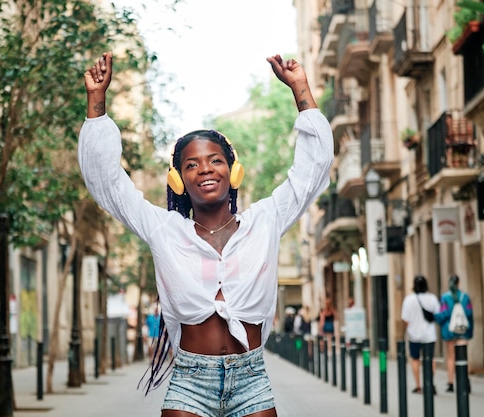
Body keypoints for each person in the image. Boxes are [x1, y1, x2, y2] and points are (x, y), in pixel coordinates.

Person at [79, 51, 333, 417]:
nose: (205, 170)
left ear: (233, 171)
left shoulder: (266, 221)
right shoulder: (164, 230)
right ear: (178, 180)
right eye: (191, 164)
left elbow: (313, 169)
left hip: (252, 380)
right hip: (189, 382)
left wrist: (301, 90)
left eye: (215, 160)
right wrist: (97, 101)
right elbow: (108, 184)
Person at [401, 275, 440, 394]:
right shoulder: (432, 298)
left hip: (414, 335)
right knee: (430, 359)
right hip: (429, 334)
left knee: (415, 360)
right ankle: (430, 383)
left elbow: (405, 319)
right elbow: (438, 314)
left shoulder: (409, 300)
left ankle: (418, 386)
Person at [434, 274, 474, 393]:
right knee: (463, 356)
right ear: (458, 283)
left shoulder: (445, 298)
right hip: (462, 329)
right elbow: (469, 313)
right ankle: (465, 381)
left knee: (451, 356)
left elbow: (443, 313)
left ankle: (451, 383)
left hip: (449, 330)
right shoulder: (465, 297)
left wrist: (438, 320)